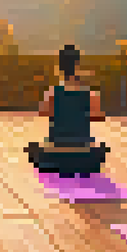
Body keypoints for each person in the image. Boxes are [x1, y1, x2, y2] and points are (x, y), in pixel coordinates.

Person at [25, 44, 109, 177]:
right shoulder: (89, 94)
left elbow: (43, 112)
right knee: (98, 150)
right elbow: (99, 115)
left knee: (34, 149)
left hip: (57, 149)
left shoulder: (52, 93)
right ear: (78, 65)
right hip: (83, 149)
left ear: (60, 67)